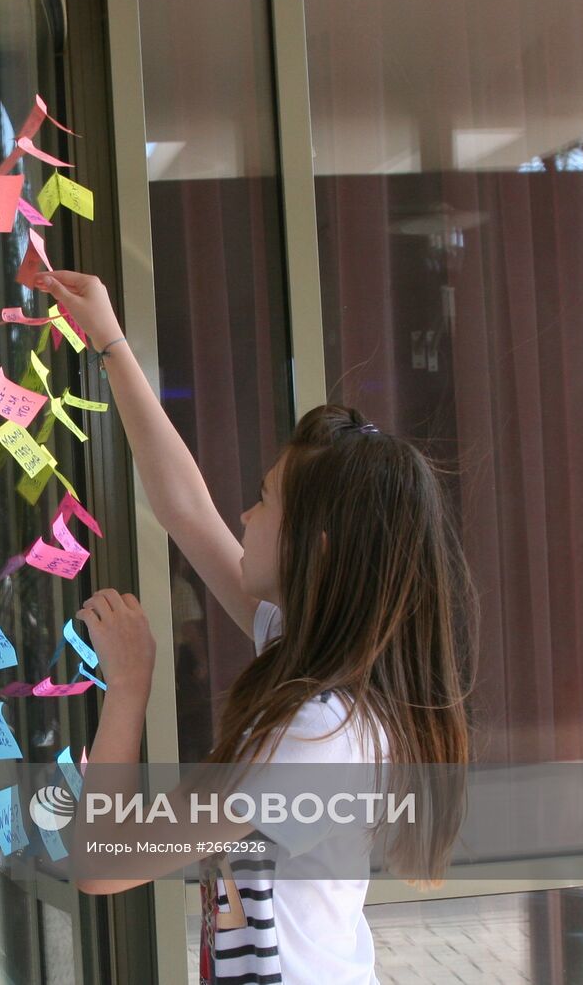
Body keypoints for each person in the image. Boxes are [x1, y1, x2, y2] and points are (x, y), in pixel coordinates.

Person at [37, 270, 475, 985]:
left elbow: (102, 861)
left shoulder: (315, 734)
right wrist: (110, 340)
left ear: (314, 546)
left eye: (266, 501)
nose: (245, 516)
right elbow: (188, 512)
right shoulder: (319, 669)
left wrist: (129, 686)